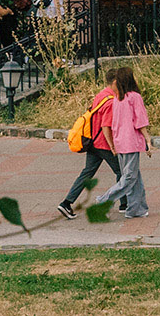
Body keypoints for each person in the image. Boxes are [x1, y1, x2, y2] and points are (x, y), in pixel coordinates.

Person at [56, 75, 120, 219]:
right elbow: (105, 126)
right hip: (103, 144)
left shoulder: (101, 95)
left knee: (86, 174)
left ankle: (66, 203)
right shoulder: (110, 101)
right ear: (115, 82)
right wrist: (112, 146)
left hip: (92, 141)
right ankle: (123, 203)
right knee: (123, 172)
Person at [106, 67, 150, 220]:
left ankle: (137, 209)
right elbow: (140, 121)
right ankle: (104, 200)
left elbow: (114, 123)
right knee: (130, 177)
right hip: (131, 142)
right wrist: (148, 140)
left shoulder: (118, 99)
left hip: (120, 142)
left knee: (135, 177)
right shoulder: (134, 97)